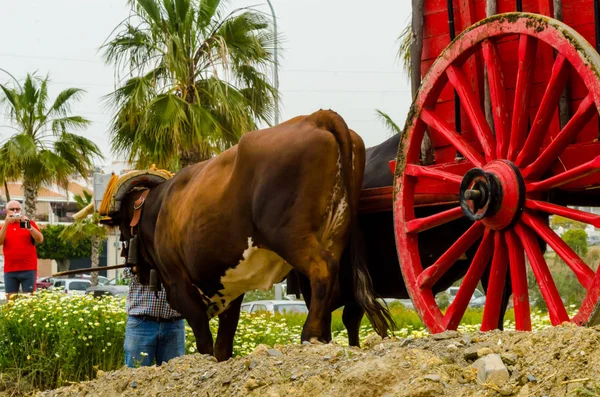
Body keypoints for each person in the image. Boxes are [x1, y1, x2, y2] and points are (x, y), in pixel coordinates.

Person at [123, 267, 185, 367]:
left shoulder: (180, 252)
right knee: (136, 376)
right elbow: (127, 272)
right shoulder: (140, 251)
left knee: (174, 377)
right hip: (141, 323)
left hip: (174, 324)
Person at [0, 200, 44, 298]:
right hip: (10, 270)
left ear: (21, 211)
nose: (15, 211)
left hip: (28, 269)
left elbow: (40, 239)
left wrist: (28, 225)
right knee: (11, 301)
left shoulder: (28, 223)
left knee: (29, 302)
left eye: (17, 209)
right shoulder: (4, 227)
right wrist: (6, 223)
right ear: (7, 211)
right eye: (12, 209)